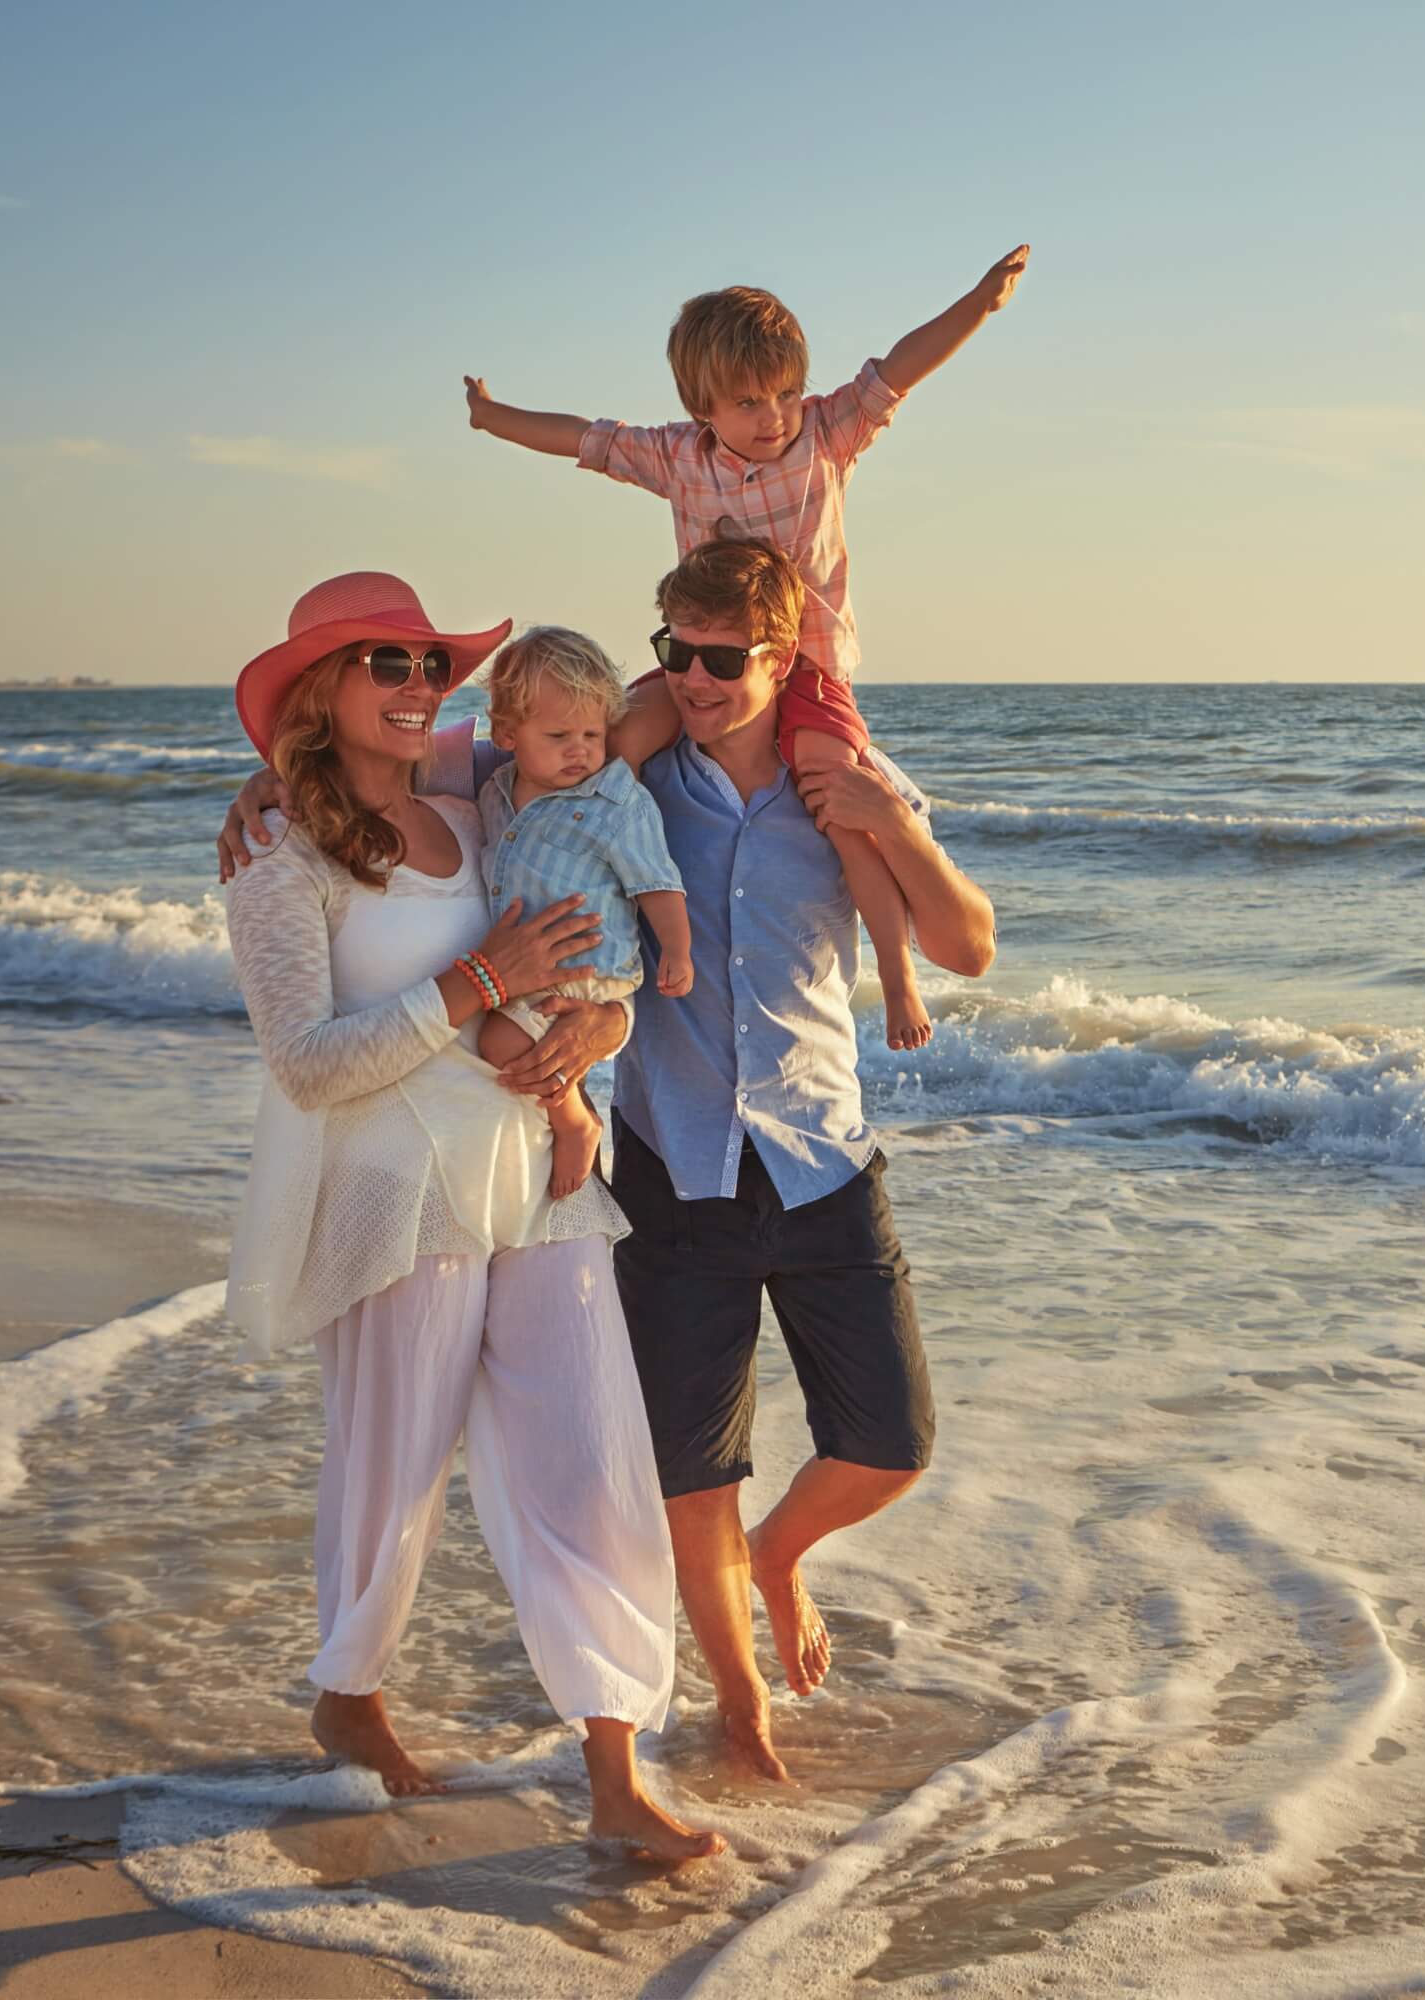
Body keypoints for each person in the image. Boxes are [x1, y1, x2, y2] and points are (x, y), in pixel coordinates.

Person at [219, 542, 997, 1784]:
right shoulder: (559, 784)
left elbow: (954, 942)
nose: (690, 678)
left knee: (746, 1453)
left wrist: (887, 824)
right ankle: (411, 1690)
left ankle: (699, 1664)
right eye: (672, 652)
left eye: (719, 657)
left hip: (685, 1169)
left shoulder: (804, 778)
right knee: (542, 1471)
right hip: (542, 1182)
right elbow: (407, 806)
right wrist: (269, 785)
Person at [221, 567, 721, 1861]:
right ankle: (349, 1692)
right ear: (321, 692)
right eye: (382, 664)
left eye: (428, 664)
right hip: (397, 1199)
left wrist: (604, 1018)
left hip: (542, 1179)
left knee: (593, 1457)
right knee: (394, 1469)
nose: (415, 684)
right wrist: (473, 984)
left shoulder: (474, 800)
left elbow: (584, 896)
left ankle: (617, 1761)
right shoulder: (284, 859)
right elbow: (309, 1066)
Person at [460, 245, 1027, 1053]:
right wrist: (493, 418)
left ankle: (896, 980)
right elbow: (581, 438)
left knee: (845, 813)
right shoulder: (677, 459)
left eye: (787, 393)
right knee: (608, 744)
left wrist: (978, 304)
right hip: (707, 643)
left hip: (814, 669)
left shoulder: (826, 435)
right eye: (750, 402)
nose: (775, 417)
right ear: (703, 408)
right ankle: (580, 944)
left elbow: (900, 368)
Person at [475, 626, 692, 1199]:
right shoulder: (491, 790)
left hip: (587, 974)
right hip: (524, 975)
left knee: (499, 1042)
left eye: (593, 734)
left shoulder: (615, 802)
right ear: (505, 733)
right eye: (558, 734)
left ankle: (575, 1121)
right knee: (500, 1044)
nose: (581, 750)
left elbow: (656, 881)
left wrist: (677, 948)